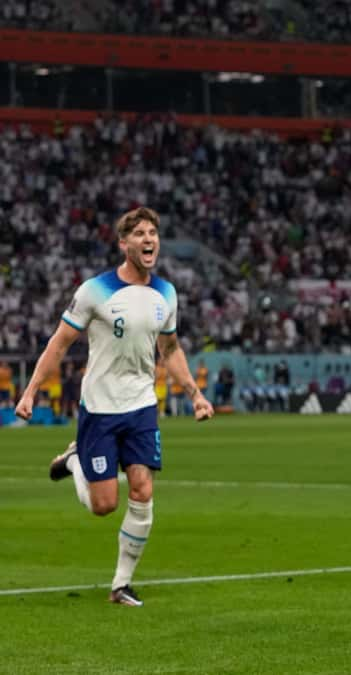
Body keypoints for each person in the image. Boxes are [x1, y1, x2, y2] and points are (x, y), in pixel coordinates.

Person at [15, 207, 214, 607]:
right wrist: (31, 391)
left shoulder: (166, 294)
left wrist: (195, 393)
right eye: (139, 233)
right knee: (104, 505)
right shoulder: (95, 290)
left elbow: (170, 348)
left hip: (141, 406)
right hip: (101, 408)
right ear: (123, 244)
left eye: (153, 233)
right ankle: (74, 461)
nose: (148, 239)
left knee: (142, 489)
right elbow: (59, 343)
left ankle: (120, 585)